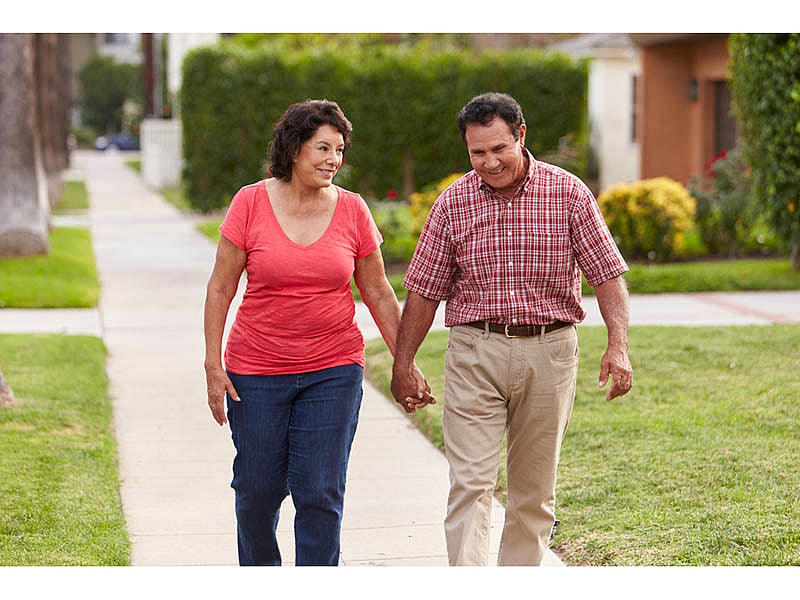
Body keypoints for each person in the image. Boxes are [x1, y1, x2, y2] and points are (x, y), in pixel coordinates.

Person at [390, 92, 633, 566]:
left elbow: (607, 276)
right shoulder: (453, 203)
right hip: (474, 350)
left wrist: (618, 347)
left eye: (498, 149)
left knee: (533, 493)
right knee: (471, 484)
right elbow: (423, 289)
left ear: (521, 136)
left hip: (550, 351)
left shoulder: (568, 192)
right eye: (477, 153)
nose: (489, 162)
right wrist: (403, 362)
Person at [203, 99, 433, 566]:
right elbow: (221, 285)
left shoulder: (351, 210)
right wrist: (213, 362)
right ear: (293, 149)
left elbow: (378, 292)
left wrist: (404, 363)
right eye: (322, 147)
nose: (333, 159)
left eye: (340, 149)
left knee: (319, 492)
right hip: (256, 370)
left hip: (332, 369)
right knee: (258, 490)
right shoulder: (250, 202)